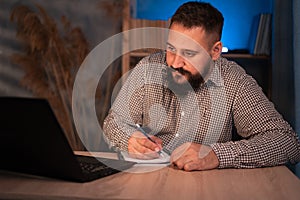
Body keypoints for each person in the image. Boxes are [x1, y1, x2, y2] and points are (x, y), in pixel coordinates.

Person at [103, 1, 300, 171]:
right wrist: (130, 139)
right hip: (148, 183)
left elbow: (287, 142)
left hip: (207, 189)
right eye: (171, 49)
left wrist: (216, 155)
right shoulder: (148, 68)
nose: (174, 63)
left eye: (189, 53)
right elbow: (114, 122)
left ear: (215, 51)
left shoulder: (234, 81)